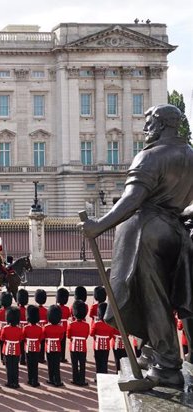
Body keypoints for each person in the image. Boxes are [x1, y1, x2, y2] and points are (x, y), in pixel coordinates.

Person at [80, 104, 193, 387]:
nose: (146, 129)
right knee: (167, 296)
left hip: (147, 233)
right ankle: (151, 351)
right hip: (177, 232)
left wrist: (98, 226)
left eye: (149, 122)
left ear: (162, 124)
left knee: (151, 296)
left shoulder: (150, 156)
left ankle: (167, 365)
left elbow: (132, 200)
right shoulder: (191, 155)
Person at [68, 300, 90, 386]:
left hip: (73, 346)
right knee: (82, 364)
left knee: (74, 364)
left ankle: (75, 379)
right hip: (83, 346)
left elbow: (68, 336)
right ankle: (82, 380)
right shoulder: (86, 325)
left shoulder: (71, 324)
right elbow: (86, 336)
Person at [1, 306, 22, 388]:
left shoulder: (5, 328)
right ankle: (16, 382)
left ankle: (10, 382)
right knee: (15, 366)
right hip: (16, 349)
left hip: (7, 349)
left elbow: (2, 338)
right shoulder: (19, 329)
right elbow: (20, 339)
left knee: (9, 367)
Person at [44, 304, 65, 387]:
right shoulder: (61, 328)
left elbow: (44, 336)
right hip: (57, 347)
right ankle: (57, 380)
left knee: (50, 363)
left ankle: (51, 379)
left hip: (48, 346)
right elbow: (61, 338)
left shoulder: (46, 327)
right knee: (56, 364)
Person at [23, 305, 43, 387]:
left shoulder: (26, 327)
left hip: (28, 347)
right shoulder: (39, 328)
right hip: (36, 347)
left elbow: (23, 337)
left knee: (29, 364)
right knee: (35, 365)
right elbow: (41, 338)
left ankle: (30, 379)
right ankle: (35, 380)